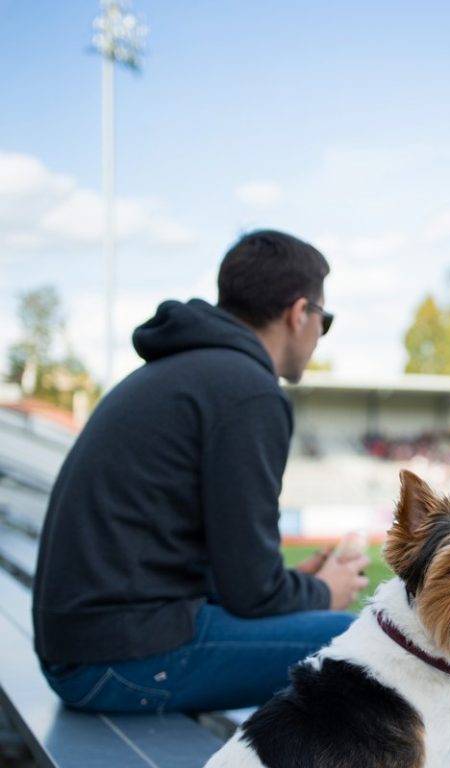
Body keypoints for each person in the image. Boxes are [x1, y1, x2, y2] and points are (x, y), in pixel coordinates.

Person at [33, 229, 370, 714]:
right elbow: (252, 594)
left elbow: (232, 578)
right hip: (113, 661)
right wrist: (323, 591)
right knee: (365, 641)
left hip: (84, 649)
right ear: (300, 314)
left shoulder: (184, 371)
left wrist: (293, 584)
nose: (320, 332)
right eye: (325, 319)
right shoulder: (247, 391)